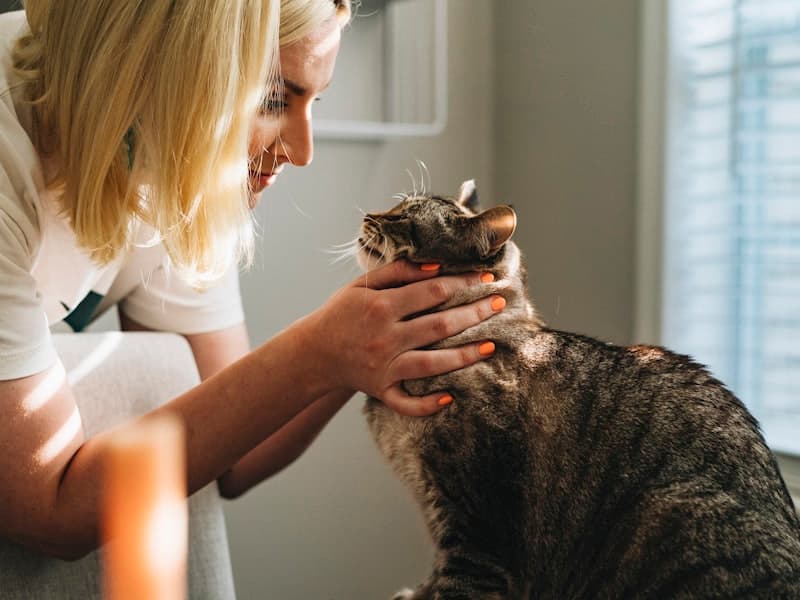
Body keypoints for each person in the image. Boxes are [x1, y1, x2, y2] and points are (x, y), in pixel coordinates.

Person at [0, 0, 503, 561]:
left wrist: (366, 344)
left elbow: (235, 458)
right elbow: (46, 511)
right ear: (156, 70)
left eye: (313, 101)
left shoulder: (176, 154)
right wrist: (322, 350)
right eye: (271, 100)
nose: (303, 151)